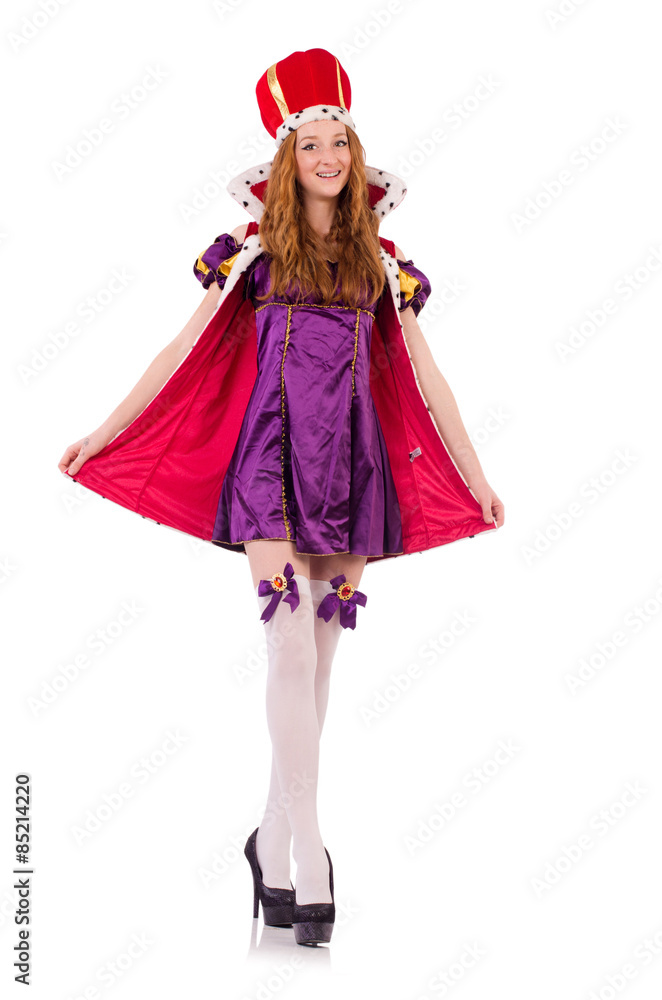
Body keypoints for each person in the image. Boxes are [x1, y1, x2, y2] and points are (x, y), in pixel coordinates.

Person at [58, 48, 504, 946]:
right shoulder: (251, 255)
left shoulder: (384, 265)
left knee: (320, 663)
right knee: (289, 646)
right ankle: (309, 846)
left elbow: (429, 377)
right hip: (267, 464)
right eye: (311, 144)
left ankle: (267, 839)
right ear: (286, 160)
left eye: (339, 142)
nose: (327, 157)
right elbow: (180, 352)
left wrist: (477, 473)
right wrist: (104, 432)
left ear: (355, 154)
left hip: (350, 468)